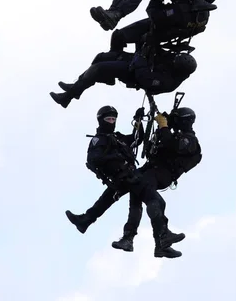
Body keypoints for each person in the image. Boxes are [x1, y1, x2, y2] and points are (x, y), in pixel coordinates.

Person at [65, 105, 184, 259]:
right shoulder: (99, 140)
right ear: (101, 120)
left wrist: (138, 122)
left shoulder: (117, 138)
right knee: (156, 200)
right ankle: (162, 237)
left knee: (111, 200)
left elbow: (136, 139)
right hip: (125, 177)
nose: (111, 121)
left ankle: (86, 221)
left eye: (113, 119)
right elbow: (93, 159)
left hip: (127, 176)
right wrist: (115, 160)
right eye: (108, 119)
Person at [112, 106, 202, 253]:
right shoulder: (173, 134)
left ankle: (158, 236)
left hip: (160, 174)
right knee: (136, 197)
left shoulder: (190, 141)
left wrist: (164, 126)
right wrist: (140, 123)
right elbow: (145, 140)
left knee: (155, 202)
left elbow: (170, 144)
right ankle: (138, 240)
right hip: (150, 169)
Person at [49, 46, 197, 108]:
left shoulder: (169, 82)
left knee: (98, 69)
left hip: (132, 72)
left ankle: (67, 97)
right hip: (136, 60)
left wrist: (142, 58)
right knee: (101, 57)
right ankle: (77, 87)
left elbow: (143, 77)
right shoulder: (174, 62)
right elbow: (162, 55)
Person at [109, 0, 218, 52]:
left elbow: (154, 14)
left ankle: (114, 57)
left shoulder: (182, 10)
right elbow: (183, 2)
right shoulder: (204, 16)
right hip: (166, 35)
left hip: (155, 30)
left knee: (118, 35)